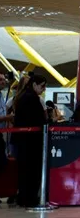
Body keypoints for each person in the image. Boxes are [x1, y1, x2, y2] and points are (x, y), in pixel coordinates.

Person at [11, 74, 49, 208]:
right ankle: (30, 198)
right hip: (31, 142)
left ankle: (23, 197)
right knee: (32, 170)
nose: (44, 89)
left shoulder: (22, 97)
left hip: (23, 141)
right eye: (42, 86)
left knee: (24, 170)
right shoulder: (32, 98)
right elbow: (39, 120)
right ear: (34, 85)